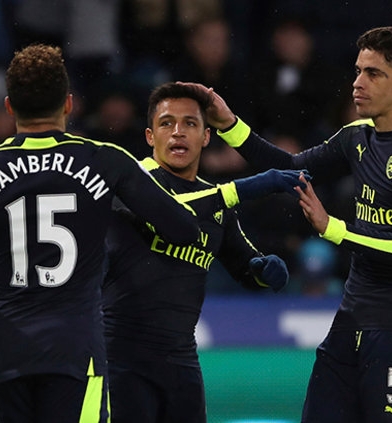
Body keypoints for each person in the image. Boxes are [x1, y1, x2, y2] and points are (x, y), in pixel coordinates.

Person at [0, 44, 206, 423]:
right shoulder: (105, 160)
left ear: (10, 107)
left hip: (11, 353)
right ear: (68, 104)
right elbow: (184, 228)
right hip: (76, 350)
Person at [185, 25, 392, 423]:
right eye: (358, 70)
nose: (358, 83)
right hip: (352, 319)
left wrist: (333, 228)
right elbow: (291, 168)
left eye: (373, 73)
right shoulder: (356, 136)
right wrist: (229, 125)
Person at [102, 82, 306, 422]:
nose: (178, 132)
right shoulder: (130, 182)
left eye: (190, 123)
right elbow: (170, 210)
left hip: (182, 363)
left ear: (206, 137)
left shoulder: (216, 202)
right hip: (121, 359)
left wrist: (264, 271)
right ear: (150, 136)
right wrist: (242, 188)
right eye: (166, 123)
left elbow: (245, 266)